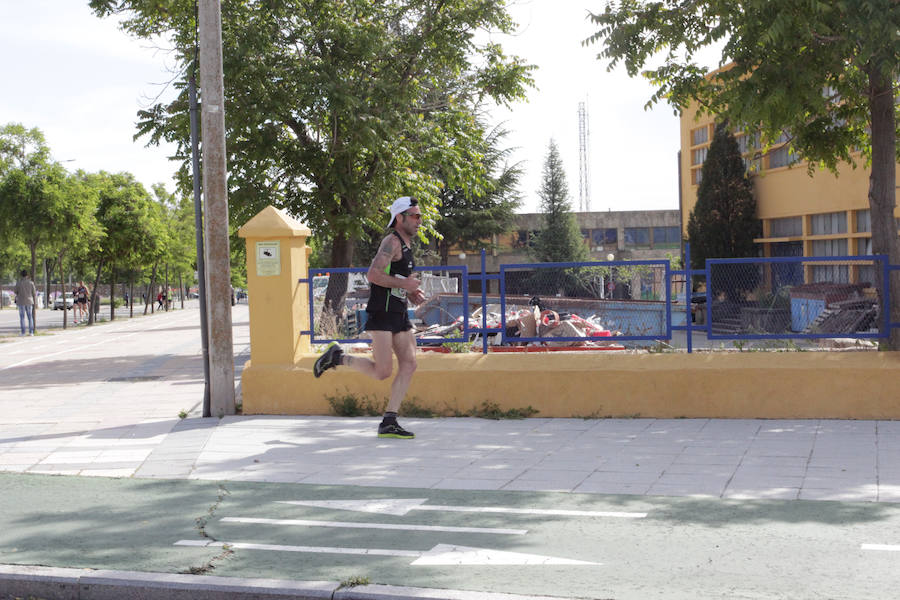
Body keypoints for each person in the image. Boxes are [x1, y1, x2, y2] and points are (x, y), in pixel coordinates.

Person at [314, 196, 426, 439]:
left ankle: (389, 421)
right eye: (415, 216)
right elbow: (373, 275)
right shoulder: (391, 241)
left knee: (409, 364)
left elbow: (396, 280)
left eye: (420, 216)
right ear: (400, 218)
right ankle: (337, 357)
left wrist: (410, 292)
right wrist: (404, 284)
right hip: (382, 312)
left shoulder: (406, 246)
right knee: (382, 371)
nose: (419, 221)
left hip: (398, 312)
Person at [14, 270, 36, 336]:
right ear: (27, 275)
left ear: (21, 275)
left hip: (21, 301)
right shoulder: (31, 283)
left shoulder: (18, 283)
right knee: (30, 317)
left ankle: (23, 332)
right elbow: (34, 292)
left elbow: (15, 291)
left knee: (22, 317)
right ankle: (31, 332)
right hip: (29, 301)